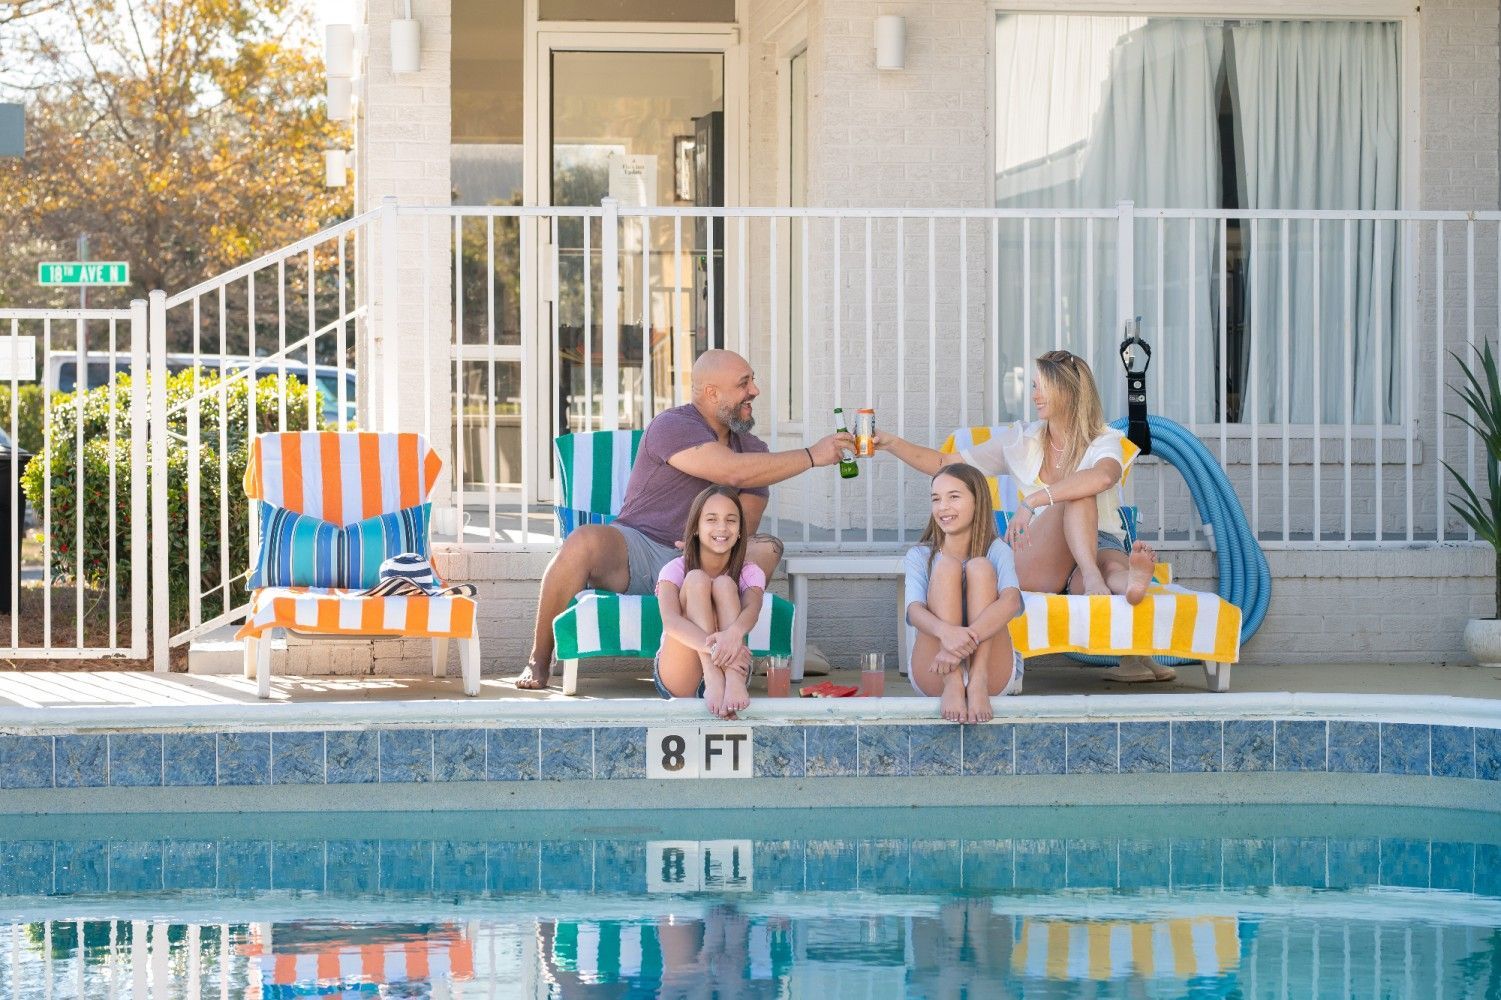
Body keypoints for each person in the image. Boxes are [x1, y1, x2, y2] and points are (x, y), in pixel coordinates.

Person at [515, 349, 854, 689]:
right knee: (583, 540)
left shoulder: (752, 449)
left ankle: (726, 657)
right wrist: (813, 455)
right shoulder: (674, 425)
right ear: (712, 393)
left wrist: (707, 549)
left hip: (706, 561)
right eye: (744, 383)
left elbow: (744, 528)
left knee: (766, 549)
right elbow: (729, 471)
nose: (754, 391)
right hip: (640, 550)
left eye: (753, 381)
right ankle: (539, 659)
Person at [878, 349, 1174, 684]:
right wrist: (892, 443)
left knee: (1113, 570)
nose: (1034, 395)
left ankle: (1127, 584)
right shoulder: (1022, 440)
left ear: (1067, 391)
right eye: (1033, 386)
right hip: (1039, 549)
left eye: (1041, 386)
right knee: (1076, 494)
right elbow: (945, 463)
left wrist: (1034, 499)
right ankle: (1095, 577)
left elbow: (1106, 476)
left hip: (1095, 540)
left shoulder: (1102, 439)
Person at [905, 464, 1024, 723]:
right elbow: (914, 612)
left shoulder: (998, 550)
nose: (943, 507)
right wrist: (947, 635)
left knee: (980, 566)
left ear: (976, 501)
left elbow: (1011, 602)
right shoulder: (919, 555)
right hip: (936, 671)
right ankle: (953, 682)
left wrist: (956, 648)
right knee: (945, 564)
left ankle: (977, 678)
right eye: (936, 499)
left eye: (954, 497)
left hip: (991, 672)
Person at [655, 486, 765, 718]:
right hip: (681, 672)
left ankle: (734, 681)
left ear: (740, 531)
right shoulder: (674, 569)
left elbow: (752, 610)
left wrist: (733, 635)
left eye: (731, 520)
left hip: (731, 672)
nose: (722, 528)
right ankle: (712, 676)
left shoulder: (750, 572)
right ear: (695, 527)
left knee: (725, 584)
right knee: (696, 578)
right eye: (711, 520)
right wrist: (718, 649)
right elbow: (671, 623)